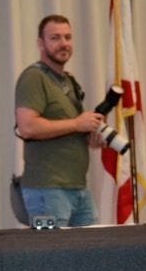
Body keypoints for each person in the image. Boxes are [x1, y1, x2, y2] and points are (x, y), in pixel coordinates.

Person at [14, 14, 103, 227]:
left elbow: (67, 129)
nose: (63, 43)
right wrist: (77, 124)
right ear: (40, 43)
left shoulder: (68, 81)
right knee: (50, 249)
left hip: (78, 188)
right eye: (55, 38)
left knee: (93, 246)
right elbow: (27, 127)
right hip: (46, 191)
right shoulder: (33, 77)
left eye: (67, 37)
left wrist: (90, 135)